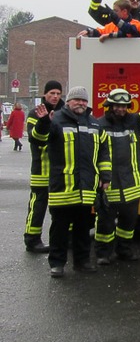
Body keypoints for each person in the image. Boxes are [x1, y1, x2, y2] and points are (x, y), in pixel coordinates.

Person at [31, 86, 111, 278]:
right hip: (62, 186)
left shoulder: (94, 123)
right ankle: (57, 264)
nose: (81, 104)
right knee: (59, 229)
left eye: (84, 101)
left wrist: (105, 176)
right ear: (68, 102)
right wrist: (43, 123)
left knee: (83, 228)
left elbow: (103, 151)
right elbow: (39, 140)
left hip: (86, 188)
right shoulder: (55, 119)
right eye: (77, 100)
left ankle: (82, 262)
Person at [94, 83, 140, 265]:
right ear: (109, 106)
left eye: (124, 106)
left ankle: (124, 250)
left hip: (132, 184)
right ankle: (103, 253)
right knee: (105, 223)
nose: (120, 109)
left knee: (128, 222)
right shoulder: (99, 125)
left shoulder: (135, 121)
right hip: (110, 183)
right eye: (117, 106)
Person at [24, 81, 64, 253]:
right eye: (52, 93)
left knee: (62, 207)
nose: (55, 96)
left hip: (60, 170)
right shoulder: (36, 113)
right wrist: (45, 122)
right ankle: (32, 239)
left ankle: (63, 240)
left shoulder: (63, 112)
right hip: (41, 169)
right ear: (45, 94)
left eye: (58, 93)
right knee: (38, 205)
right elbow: (37, 139)